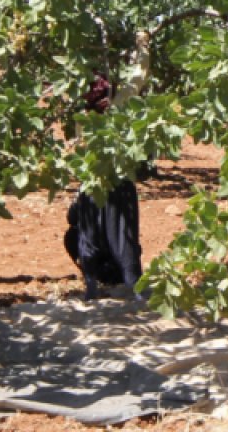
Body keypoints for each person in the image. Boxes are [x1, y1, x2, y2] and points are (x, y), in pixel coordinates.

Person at [63, 32, 152, 301]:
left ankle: (91, 287)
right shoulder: (120, 103)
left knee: (89, 235)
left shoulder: (80, 115)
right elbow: (139, 74)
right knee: (122, 236)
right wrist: (143, 45)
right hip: (119, 181)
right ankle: (133, 287)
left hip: (91, 182)